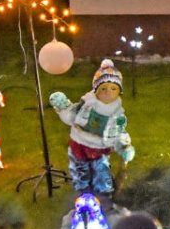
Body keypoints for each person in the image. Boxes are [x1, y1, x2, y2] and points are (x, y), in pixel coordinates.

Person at [50, 58, 136, 197]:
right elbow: (73, 116)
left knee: (101, 173)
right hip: (79, 144)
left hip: (100, 148)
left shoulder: (117, 114)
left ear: (119, 91)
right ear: (96, 89)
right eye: (103, 88)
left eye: (113, 88)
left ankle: (104, 197)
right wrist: (64, 107)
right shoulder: (87, 104)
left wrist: (124, 146)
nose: (108, 92)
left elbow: (119, 133)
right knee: (80, 173)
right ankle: (84, 197)